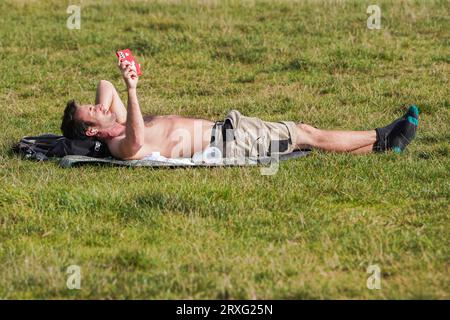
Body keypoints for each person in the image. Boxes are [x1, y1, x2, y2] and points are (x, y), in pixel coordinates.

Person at [60, 60, 418, 161]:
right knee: (304, 135)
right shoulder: (119, 144)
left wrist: (106, 108)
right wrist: (132, 90)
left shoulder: (118, 123)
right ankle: (382, 137)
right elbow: (137, 144)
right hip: (231, 143)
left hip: (229, 128)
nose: (99, 105)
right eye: (92, 112)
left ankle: (384, 147)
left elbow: (104, 86)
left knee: (304, 136)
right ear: (92, 132)